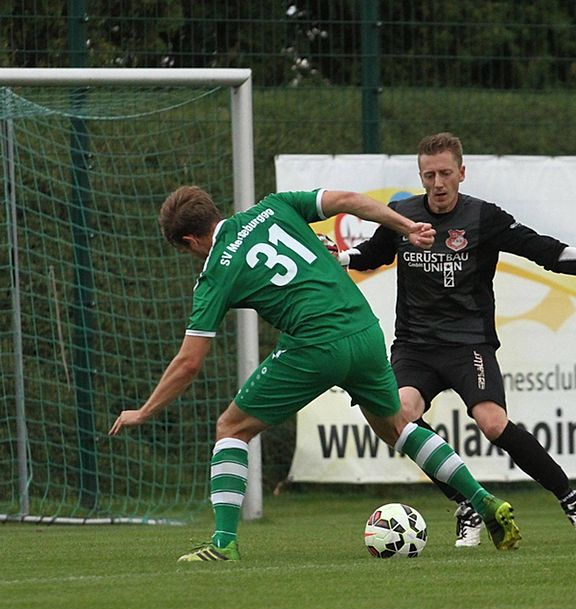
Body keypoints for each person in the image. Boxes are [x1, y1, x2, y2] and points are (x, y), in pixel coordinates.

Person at [108, 185, 521, 561]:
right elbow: (347, 200)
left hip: (315, 344)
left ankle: (223, 544)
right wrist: (406, 226)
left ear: (190, 241)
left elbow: (188, 362)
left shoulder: (216, 270)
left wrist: (144, 411)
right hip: (364, 330)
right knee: (397, 426)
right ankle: (483, 501)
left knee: (231, 428)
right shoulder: (273, 207)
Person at [337, 132, 576, 545]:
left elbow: (547, 251)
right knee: (399, 415)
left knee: (492, 422)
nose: (438, 183)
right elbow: (372, 254)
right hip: (415, 346)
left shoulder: (483, 217)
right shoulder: (402, 214)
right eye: (429, 175)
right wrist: (340, 257)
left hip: (468, 344)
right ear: (421, 177)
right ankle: (468, 504)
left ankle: (572, 500)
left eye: (446, 173)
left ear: (462, 173)